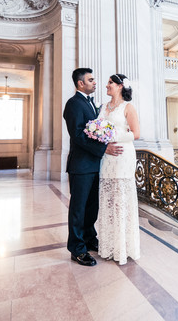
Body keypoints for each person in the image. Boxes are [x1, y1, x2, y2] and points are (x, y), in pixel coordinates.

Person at [63, 68, 123, 267]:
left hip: (95, 164)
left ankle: (89, 238)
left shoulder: (91, 104)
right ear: (81, 83)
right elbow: (78, 135)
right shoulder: (73, 104)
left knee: (92, 207)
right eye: (91, 80)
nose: (95, 82)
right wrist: (104, 148)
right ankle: (77, 249)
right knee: (78, 209)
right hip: (81, 165)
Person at [96, 73, 141, 265]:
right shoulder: (103, 107)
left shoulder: (128, 107)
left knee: (122, 200)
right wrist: (102, 138)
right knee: (108, 199)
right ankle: (108, 246)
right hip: (106, 156)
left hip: (123, 156)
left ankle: (124, 248)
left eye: (110, 83)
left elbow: (136, 134)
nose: (107, 86)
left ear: (120, 86)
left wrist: (113, 136)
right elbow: (96, 128)